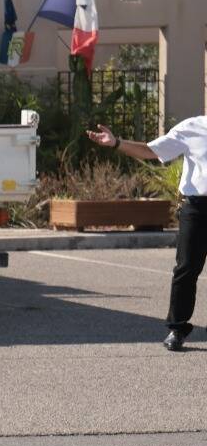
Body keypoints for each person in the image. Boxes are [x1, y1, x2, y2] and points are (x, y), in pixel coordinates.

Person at [87, 116, 207, 351]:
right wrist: (116, 143)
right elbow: (152, 150)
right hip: (197, 208)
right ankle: (177, 328)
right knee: (186, 268)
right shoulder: (192, 127)